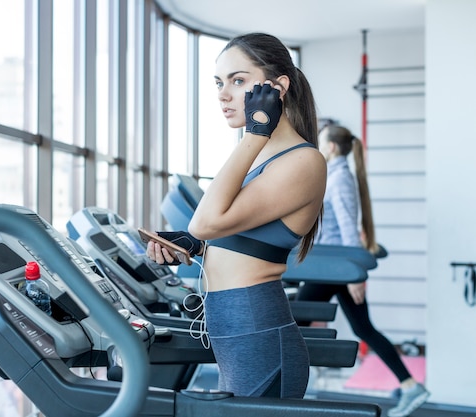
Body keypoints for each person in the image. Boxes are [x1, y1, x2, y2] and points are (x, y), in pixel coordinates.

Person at [146, 32, 326, 399]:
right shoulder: (259, 157)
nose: (223, 95)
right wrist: (198, 245)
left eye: (238, 81)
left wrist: (255, 132)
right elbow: (215, 227)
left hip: (256, 325)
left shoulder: (304, 161)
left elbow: (204, 220)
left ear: (277, 88)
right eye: (219, 83)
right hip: (235, 325)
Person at [294, 124, 430, 417]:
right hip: (333, 266)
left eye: (322, 138)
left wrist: (355, 274)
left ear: (330, 147)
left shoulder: (340, 178)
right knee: (361, 327)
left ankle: (291, 386)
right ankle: (409, 384)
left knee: (292, 318)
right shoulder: (336, 175)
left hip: (334, 268)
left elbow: (347, 229)